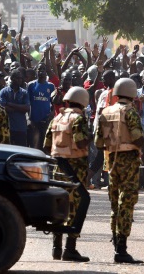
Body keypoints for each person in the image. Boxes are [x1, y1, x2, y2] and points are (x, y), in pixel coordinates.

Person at [95, 77, 144, 264]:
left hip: (111, 160)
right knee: (127, 202)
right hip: (129, 160)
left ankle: (116, 244)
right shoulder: (130, 112)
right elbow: (138, 138)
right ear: (131, 93)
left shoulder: (106, 112)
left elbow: (98, 143)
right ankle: (122, 249)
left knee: (115, 202)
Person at [43, 86, 90, 262]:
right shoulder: (78, 119)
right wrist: (90, 136)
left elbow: (46, 145)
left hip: (58, 169)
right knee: (76, 207)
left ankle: (56, 248)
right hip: (75, 169)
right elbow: (80, 143)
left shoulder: (57, 119)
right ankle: (70, 249)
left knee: (59, 207)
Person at [0, 70, 30, 146]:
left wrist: (9, 104)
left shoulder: (24, 93)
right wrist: (19, 107)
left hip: (21, 127)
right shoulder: (4, 91)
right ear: (12, 78)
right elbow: (3, 108)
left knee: (21, 151)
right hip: (8, 127)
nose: (20, 80)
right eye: (18, 78)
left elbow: (26, 108)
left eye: (21, 78)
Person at [28, 63, 55, 150]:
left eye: (43, 69)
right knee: (34, 143)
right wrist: (29, 119)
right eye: (39, 69)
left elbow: (53, 103)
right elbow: (27, 102)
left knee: (44, 143)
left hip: (45, 119)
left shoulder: (51, 86)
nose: (41, 71)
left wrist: (52, 113)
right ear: (36, 71)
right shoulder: (31, 85)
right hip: (34, 119)